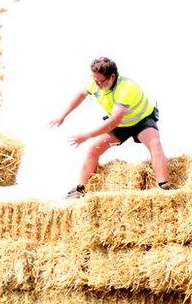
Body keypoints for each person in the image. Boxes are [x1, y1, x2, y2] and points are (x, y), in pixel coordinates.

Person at [50, 56, 171, 198]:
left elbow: (113, 121)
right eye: (95, 80)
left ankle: (164, 187)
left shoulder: (126, 88)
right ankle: (80, 189)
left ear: (112, 76)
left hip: (141, 122)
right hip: (121, 127)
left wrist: (87, 135)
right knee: (93, 150)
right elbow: (81, 94)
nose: (97, 84)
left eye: (101, 81)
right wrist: (63, 115)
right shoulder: (96, 83)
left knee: (154, 144)